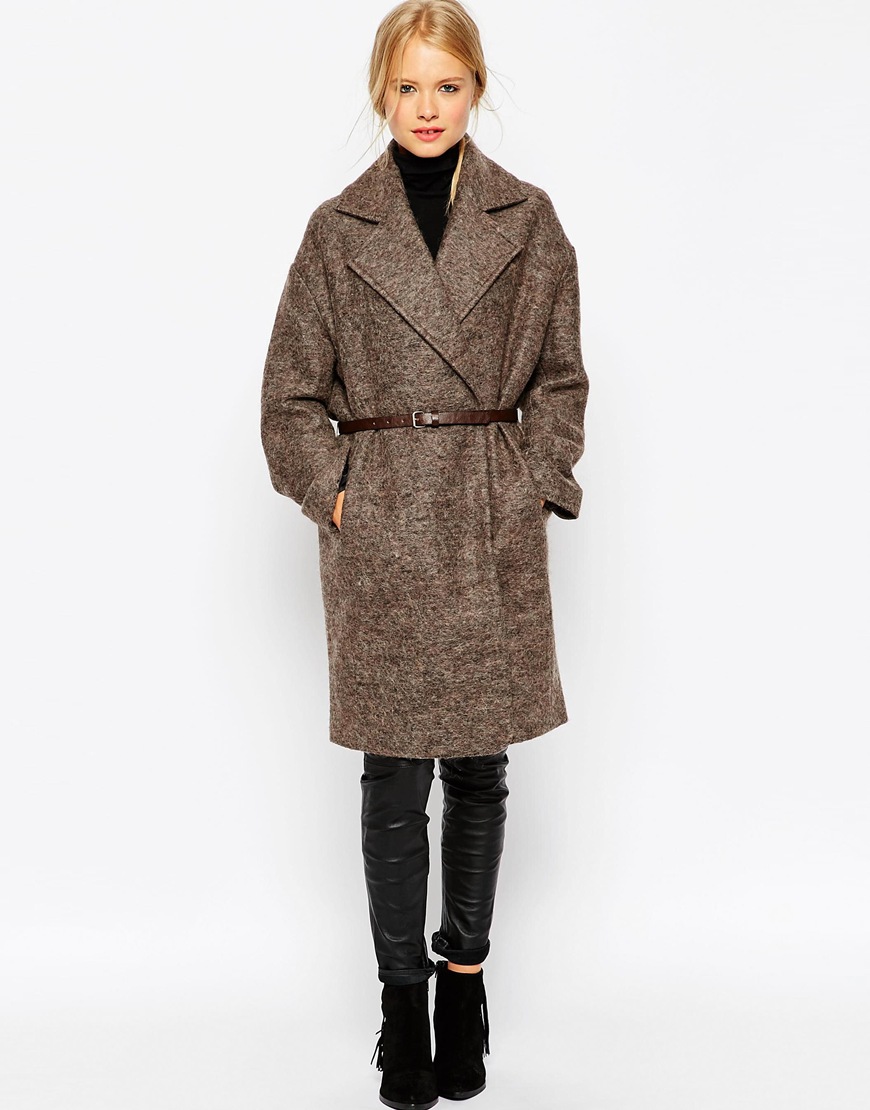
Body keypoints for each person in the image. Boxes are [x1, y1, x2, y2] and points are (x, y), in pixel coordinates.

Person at [260, 1, 589, 1105]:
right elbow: (289, 397)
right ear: (380, 93)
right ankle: (401, 1003)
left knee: (480, 769)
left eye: (447, 85)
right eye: (408, 86)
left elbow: (560, 379)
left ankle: (464, 981)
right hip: (388, 528)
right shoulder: (336, 231)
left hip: (487, 517)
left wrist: (534, 481)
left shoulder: (529, 221)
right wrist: (338, 494)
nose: (428, 107)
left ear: (477, 88)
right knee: (394, 776)